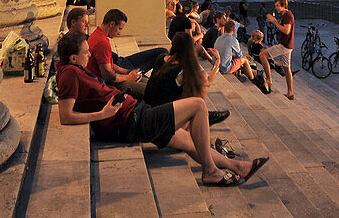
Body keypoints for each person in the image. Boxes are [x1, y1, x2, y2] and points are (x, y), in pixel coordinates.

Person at [56, 32, 268, 187]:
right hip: (132, 121)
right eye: (86, 52)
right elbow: (65, 116)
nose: (90, 54)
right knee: (198, 106)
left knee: (188, 140)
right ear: (73, 58)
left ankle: (238, 167)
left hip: (136, 112)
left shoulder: (76, 70)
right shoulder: (69, 74)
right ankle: (211, 171)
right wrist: (102, 114)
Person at [87, 9, 168, 92]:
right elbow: (108, 76)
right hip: (113, 84)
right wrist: (128, 77)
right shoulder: (102, 43)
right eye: (119, 28)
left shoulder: (96, 34)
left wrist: (127, 72)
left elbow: (106, 64)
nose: (119, 33)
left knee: (148, 82)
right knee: (153, 91)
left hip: (116, 77)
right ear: (112, 24)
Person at [215, 21, 264, 91]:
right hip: (224, 68)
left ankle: (253, 71)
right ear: (234, 30)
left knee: (236, 58)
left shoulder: (219, 38)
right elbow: (240, 55)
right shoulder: (233, 40)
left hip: (217, 65)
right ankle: (253, 79)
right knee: (245, 60)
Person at [263, 0, 295, 100]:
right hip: (287, 46)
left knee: (263, 55)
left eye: (277, 5)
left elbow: (286, 31)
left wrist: (274, 22)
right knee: (286, 69)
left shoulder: (287, 15)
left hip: (284, 46)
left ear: (283, 6)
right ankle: (290, 93)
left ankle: (268, 80)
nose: (276, 7)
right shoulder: (286, 15)